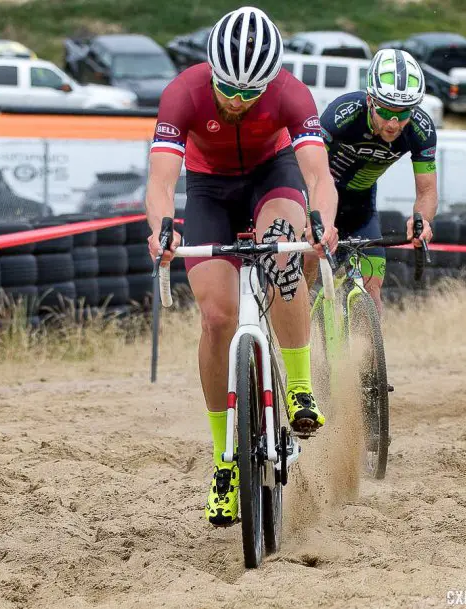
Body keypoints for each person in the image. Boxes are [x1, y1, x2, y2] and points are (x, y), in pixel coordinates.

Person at [144, 6, 338, 527]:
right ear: (211, 70)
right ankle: (224, 461)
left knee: (283, 254)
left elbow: (319, 177)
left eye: (251, 93)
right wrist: (162, 228)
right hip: (209, 191)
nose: (238, 100)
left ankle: (298, 386)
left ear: (270, 81)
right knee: (216, 317)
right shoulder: (182, 93)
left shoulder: (292, 94)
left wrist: (321, 221)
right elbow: (162, 182)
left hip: (270, 177)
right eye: (230, 88)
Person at [305, 48, 437, 315]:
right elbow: (310, 171)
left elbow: (427, 190)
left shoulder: (421, 129)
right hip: (321, 196)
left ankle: (365, 356)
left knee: (373, 290)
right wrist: (317, 219)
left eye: (402, 114)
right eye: (386, 111)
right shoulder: (343, 113)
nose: (393, 123)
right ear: (370, 101)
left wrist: (422, 221)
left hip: (361, 204)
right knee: (307, 271)